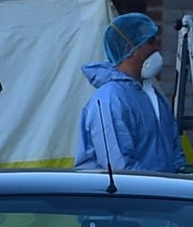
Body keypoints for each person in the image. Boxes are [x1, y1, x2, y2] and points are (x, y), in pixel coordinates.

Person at [75, 12, 186, 173]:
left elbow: (174, 150)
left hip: (156, 189)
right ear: (130, 49)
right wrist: (160, 186)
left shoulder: (151, 94)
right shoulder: (110, 99)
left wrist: (179, 177)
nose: (157, 47)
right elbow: (120, 169)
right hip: (132, 190)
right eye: (150, 42)